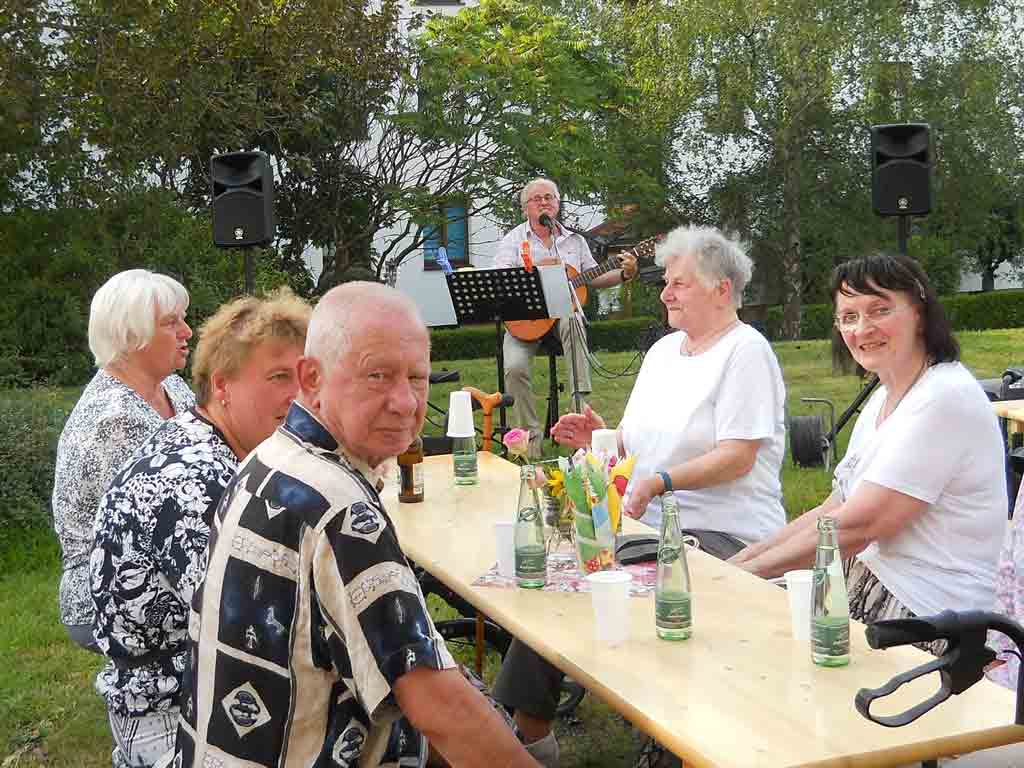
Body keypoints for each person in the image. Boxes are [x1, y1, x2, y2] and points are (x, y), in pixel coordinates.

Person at [170, 282, 538, 768]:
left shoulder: (267, 459)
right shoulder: (337, 507)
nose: (406, 402)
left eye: (418, 378)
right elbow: (439, 706)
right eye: (377, 376)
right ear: (312, 378)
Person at [492, 225, 787, 757]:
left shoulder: (746, 352)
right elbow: (632, 441)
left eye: (679, 284)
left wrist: (660, 482)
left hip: (721, 531)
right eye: (666, 283)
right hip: (647, 524)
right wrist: (600, 436)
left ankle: (671, 735)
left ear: (722, 289)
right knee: (554, 587)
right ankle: (527, 741)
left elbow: (739, 456)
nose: (665, 293)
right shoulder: (666, 351)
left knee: (604, 583)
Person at [731, 252, 1007, 653]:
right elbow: (835, 508)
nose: (863, 328)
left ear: (919, 312)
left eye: (879, 310)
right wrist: (742, 562)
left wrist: (744, 575)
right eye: (849, 317)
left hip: (928, 618)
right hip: (868, 586)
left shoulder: (945, 397)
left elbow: (858, 527)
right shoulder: (884, 396)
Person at [89, 288, 311, 768]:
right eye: (276, 377)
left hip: (209, 683)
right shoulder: (189, 483)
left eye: (304, 378)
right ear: (222, 386)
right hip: (170, 715)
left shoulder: (225, 447)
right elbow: (262, 628)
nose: (297, 396)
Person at [52, 269, 195, 652]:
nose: (188, 331)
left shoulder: (173, 388)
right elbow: (162, 527)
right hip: (105, 590)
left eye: (183, 318)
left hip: (157, 573)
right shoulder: (114, 419)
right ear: (132, 335)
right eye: (171, 322)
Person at [496, 177, 637, 457]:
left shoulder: (574, 240)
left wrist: (625, 272)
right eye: (537, 199)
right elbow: (501, 281)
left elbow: (593, 276)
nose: (544, 202)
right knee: (513, 367)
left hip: (564, 320)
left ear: (557, 205)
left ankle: (578, 422)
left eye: (549, 197)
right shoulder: (513, 240)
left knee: (572, 317)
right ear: (526, 209)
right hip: (526, 321)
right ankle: (528, 444)